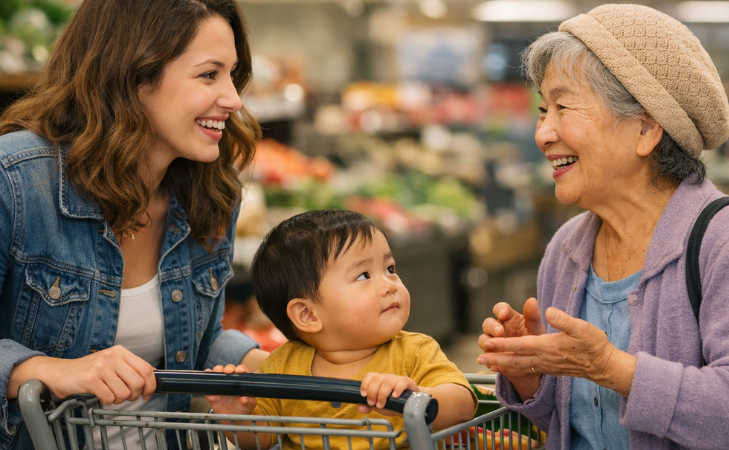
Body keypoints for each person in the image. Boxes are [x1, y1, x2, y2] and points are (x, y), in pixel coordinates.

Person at [476, 4, 729, 450]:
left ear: (646, 129)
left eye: (563, 106)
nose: (543, 133)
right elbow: (571, 425)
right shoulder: (567, 249)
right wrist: (529, 374)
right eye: (542, 109)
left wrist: (612, 367)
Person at [0, 1, 270, 449]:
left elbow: (197, 347)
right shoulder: (17, 181)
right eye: (209, 75)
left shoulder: (211, 194)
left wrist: (291, 367)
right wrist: (43, 369)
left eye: (232, 74)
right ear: (135, 76)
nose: (234, 99)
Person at [205, 209, 477, 450]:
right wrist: (237, 417)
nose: (389, 284)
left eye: (390, 268)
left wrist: (418, 397)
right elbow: (260, 440)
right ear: (308, 314)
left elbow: (463, 402)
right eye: (363, 275)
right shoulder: (282, 366)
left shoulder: (414, 351)